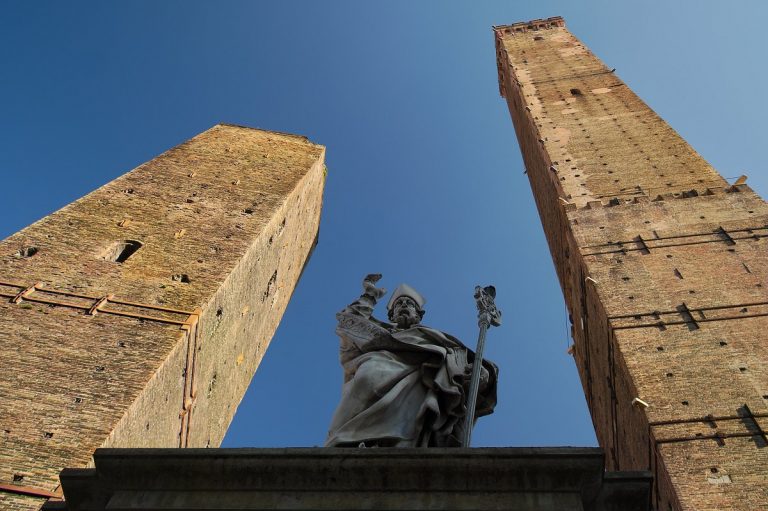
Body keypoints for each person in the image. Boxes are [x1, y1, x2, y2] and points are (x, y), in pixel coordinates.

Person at [325, 274, 498, 447]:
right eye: (399, 304)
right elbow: (350, 322)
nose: (404, 306)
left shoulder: (431, 337)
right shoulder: (375, 333)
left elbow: (460, 356)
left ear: (418, 314)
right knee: (367, 375)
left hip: (419, 383)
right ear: (392, 316)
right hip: (371, 373)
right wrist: (369, 296)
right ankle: (348, 441)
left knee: (424, 382)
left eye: (409, 304)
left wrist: (479, 370)